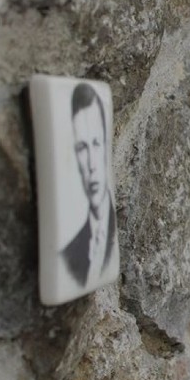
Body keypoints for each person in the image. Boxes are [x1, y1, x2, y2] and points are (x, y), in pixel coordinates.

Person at [60, 82, 117, 288]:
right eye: (82, 148)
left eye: (96, 143)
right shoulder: (68, 254)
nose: (93, 165)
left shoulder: (112, 240)